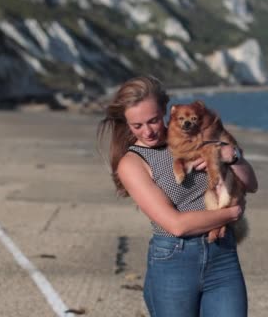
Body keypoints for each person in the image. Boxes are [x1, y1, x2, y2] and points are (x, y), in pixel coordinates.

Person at [97, 75, 258, 317]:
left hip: (222, 255)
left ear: (166, 111)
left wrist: (230, 155)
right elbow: (176, 225)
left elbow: (250, 184)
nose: (148, 132)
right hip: (174, 261)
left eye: (153, 120)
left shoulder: (199, 135)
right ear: (126, 123)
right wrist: (232, 213)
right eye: (137, 125)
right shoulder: (132, 163)